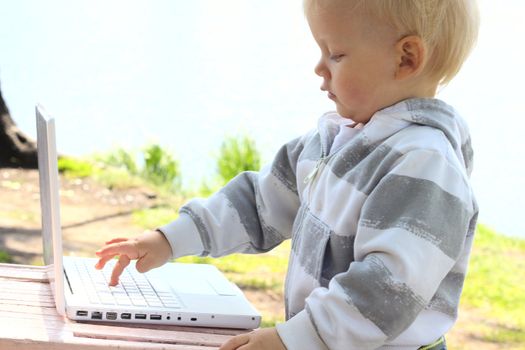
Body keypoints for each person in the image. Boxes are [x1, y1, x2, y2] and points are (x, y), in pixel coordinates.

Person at [95, 0, 480, 349]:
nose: (319, 67)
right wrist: (168, 240)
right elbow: (258, 203)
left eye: (336, 54)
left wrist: (294, 340)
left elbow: (387, 288)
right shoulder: (335, 141)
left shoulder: (426, 166)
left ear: (406, 59)